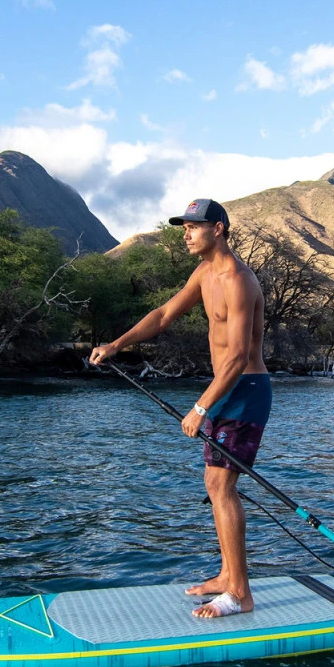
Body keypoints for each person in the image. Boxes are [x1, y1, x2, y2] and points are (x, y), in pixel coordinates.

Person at [90, 198, 271, 619]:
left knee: (222, 485)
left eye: (194, 227)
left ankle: (240, 593)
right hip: (224, 390)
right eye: (184, 228)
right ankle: (227, 575)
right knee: (215, 484)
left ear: (218, 229)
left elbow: (239, 357)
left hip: (246, 390)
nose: (186, 235)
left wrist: (201, 407)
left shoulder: (238, 280)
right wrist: (116, 344)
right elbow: (164, 313)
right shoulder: (205, 272)